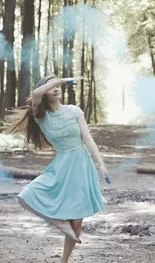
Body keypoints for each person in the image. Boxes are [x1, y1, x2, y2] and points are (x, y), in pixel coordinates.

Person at [8, 74, 110, 263]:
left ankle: (64, 261)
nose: (56, 89)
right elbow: (36, 93)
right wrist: (61, 80)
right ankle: (59, 222)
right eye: (51, 87)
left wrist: (101, 164)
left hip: (81, 165)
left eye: (58, 86)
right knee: (27, 194)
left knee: (77, 222)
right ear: (45, 93)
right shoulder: (40, 115)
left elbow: (88, 139)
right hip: (61, 165)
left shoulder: (74, 110)